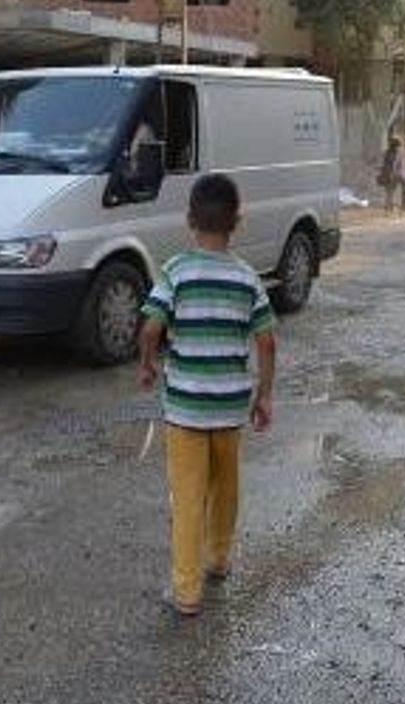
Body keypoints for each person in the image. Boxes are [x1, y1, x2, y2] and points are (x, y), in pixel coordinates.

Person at [138, 173, 278, 618]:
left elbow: (151, 327)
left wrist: (148, 363)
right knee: (225, 486)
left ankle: (187, 591)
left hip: (185, 410)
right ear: (237, 221)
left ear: (189, 220)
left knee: (188, 496)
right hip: (229, 407)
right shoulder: (247, 277)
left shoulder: (176, 270)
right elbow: (267, 341)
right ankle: (218, 559)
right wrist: (264, 395)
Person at [379, 137, 402, 213]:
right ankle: (389, 206)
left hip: (389, 173)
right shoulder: (393, 154)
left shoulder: (388, 153)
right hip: (390, 173)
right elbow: (393, 164)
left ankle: (388, 206)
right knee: (390, 191)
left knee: (389, 191)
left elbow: (384, 164)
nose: (397, 147)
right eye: (397, 146)